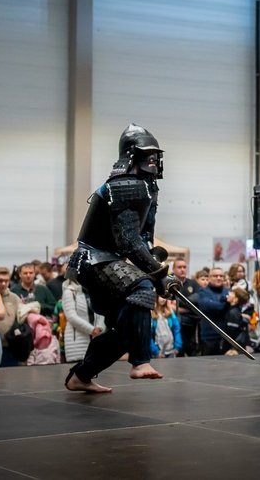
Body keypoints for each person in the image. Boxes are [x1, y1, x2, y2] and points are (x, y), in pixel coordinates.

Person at [64, 124, 168, 392]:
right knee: (141, 288)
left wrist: (160, 271)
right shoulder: (123, 185)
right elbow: (128, 241)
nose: (154, 161)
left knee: (126, 328)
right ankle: (140, 362)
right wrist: (157, 276)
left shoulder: (147, 188)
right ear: (133, 154)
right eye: (149, 154)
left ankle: (81, 377)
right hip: (94, 259)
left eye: (156, 155)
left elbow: (144, 240)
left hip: (108, 260)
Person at [62, 277, 104, 363]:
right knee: (78, 370)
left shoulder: (93, 290)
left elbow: (101, 311)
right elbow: (71, 316)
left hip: (96, 336)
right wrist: (92, 330)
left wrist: (100, 327)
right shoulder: (69, 292)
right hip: (78, 340)